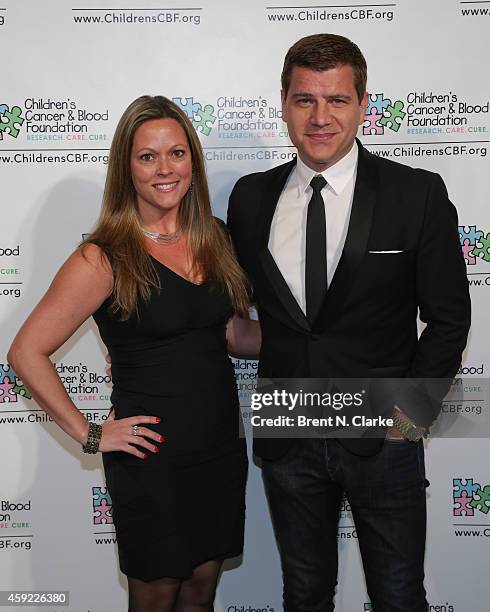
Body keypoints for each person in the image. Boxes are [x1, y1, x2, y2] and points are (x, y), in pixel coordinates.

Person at [227, 34, 470, 611]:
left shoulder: (417, 193)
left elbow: (448, 317)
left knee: (398, 594)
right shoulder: (250, 198)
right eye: (304, 99)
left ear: (364, 104)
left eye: (336, 100)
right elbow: (227, 308)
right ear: (282, 102)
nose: (320, 117)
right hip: (288, 433)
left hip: (382, 435)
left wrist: (411, 415)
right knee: (305, 593)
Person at [8, 95, 260, 612]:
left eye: (177, 153)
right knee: (156, 595)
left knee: (202, 590)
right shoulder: (103, 257)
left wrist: (321, 338)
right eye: (148, 157)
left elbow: (234, 336)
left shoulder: (217, 239)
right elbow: (26, 351)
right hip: (151, 458)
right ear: (127, 168)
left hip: (217, 446)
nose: (165, 169)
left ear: (193, 159)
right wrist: (92, 433)